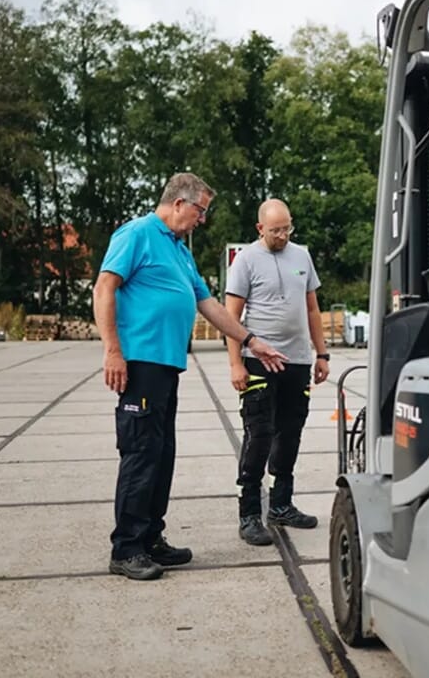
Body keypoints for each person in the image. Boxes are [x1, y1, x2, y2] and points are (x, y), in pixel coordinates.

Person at [93, 173, 286, 581]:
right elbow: (104, 288)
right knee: (141, 455)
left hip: (166, 367)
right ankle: (126, 547)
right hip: (140, 363)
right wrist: (112, 350)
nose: (202, 220)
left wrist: (253, 341)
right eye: (200, 211)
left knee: (162, 456)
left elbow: (210, 305)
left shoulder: (180, 250)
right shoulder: (138, 233)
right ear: (178, 203)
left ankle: (151, 539)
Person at [225, 198, 330, 546]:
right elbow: (230, 317)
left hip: (297, 361)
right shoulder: (246, 261)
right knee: (260, 433)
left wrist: (322, 354)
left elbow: (313, 309)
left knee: (290, 432)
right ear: (260, 229)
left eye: (287, 228)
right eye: (275, 230)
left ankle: (281, 505)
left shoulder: (302, 256)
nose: (283, 235)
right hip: (258, 360)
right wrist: (236, 363)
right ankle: (250, 513)